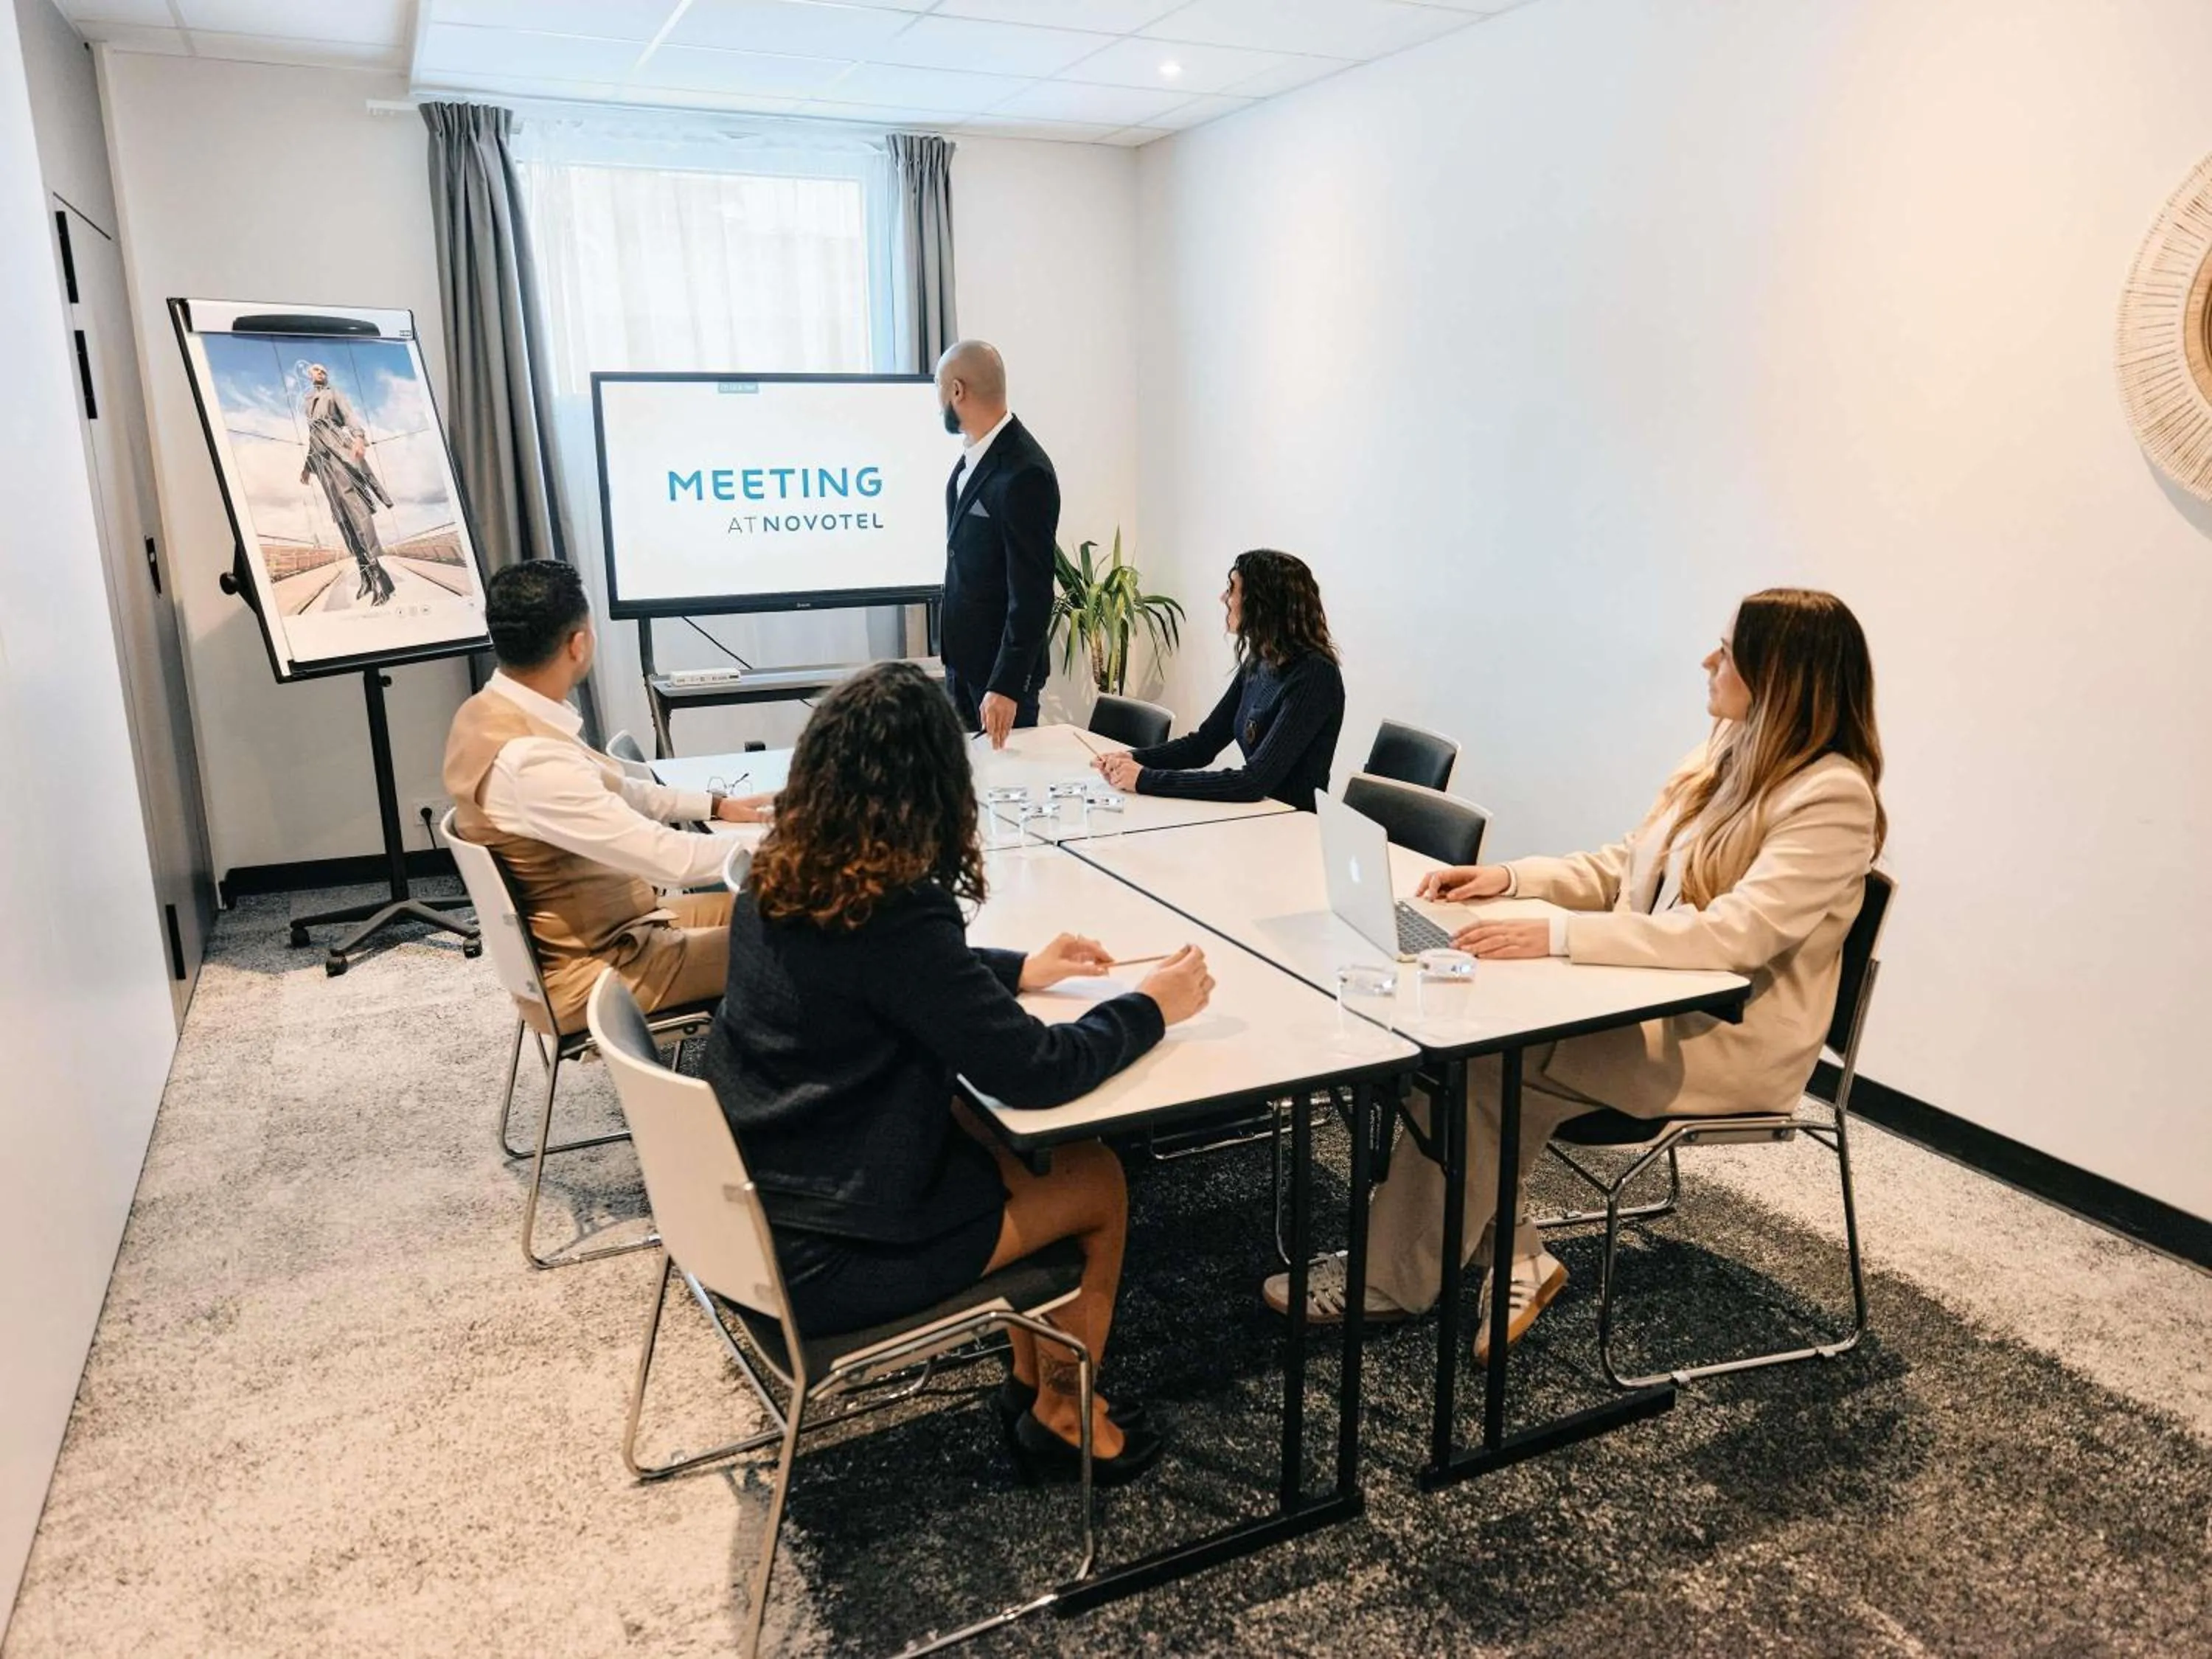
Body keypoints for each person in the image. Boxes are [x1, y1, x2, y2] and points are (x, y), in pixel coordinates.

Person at [1265, 588, 1886, 1359]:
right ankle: (1515, 1249)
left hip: (1728, 1039)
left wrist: (1555, 935)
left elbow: (1735, 938)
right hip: (1651, 999)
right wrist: (1513, 880)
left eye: (1725, 651)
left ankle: (1399, 1277)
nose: (1707, 661)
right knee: (1463, 1031)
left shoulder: (1833, 796)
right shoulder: (1724, 753)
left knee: (1484, 1059)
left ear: (1782, 675)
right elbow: (1627, 864)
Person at [702, 661, 1214, 1485]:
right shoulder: (898, 914)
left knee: (994, 1141)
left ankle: (1030, 1380)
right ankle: (1061, 1411)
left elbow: (886, 977)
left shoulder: (779, 874)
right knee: (1093, 1178)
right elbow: (1037, 1072)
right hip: (825, 1261)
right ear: (933, 786)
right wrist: (1154, 1004)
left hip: (751, 1206)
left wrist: (1015, 971)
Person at [442, 560, 771, 1035]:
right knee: (816, 937)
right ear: (579, 644)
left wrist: (716, 807)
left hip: (618, 931)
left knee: (782, 906)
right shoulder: (532, 761)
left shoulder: (491, 712)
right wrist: (790, 844)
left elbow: (620, 787)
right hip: (598, 970)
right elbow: (670, 861)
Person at [1093, 549, 1346, 812]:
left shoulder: (1315, 675)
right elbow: (1203, 745)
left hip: (1294, 826)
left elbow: (1253, 782)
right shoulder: (1260, 661)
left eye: (1233, 589)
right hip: (1256, 817)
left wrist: (1146, 779)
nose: (1224, 598)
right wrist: (1131, 758)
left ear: (1261, 603)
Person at [936, 340, 1059, 750]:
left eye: (940, 390)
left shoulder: (1025, 471)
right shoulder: (973, 456)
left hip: (999, 681)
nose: (939, 404)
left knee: (1008, 789)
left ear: (958, 390)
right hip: (964, 665)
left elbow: (1033, 592)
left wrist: (1007, 685)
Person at [298, 363, 395, 608]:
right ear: (309, 376)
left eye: (321, 370)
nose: (319, 373)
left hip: (340, 455)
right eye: (314, 370)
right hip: (324, 465)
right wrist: (308, 468)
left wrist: (359, 438)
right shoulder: (308, 402)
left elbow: (350, 416)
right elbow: (313, 437)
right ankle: (365, 575)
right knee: (342, 518)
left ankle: (380, 577)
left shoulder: (333, 394)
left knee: (357, 512)